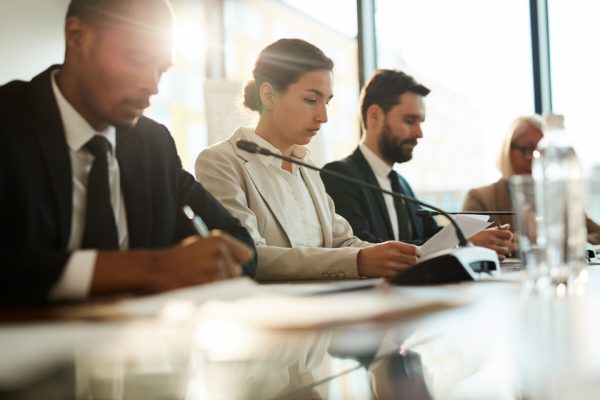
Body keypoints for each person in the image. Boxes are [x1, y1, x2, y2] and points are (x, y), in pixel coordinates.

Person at [0, 0, 255, 307]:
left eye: (160, 70)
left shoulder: (154, 143)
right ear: (77, 36)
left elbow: (240, 245)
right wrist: (149, 269)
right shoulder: (8, 120)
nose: (152, 85)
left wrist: (213, 262)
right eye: (136, 60)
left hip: (139, 345)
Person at [195, 39, 421, 281]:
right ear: (269, 95)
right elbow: (248, 255)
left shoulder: (307, 167)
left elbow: (341, 240)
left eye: (327, 102)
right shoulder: (221, 162)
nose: (323, 116)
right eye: (311, 100)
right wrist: (358, 261)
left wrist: (400, 255)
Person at [321, 69, 513, 260]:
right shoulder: (338, 176)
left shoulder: (403, 185)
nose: (419, 132)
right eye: (410, 120)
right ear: (375, 115)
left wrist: (474, 240)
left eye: (420, 122)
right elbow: (364, 247)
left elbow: (431, 237)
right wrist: (462, 243)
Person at [462, 115, 600, 244]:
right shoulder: (480, 198)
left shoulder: (558, 198)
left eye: (542, 153)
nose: (536, 161)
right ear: (508, 151)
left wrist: (558, 243)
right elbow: (459, 244)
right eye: (528, 150)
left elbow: (597, 234)